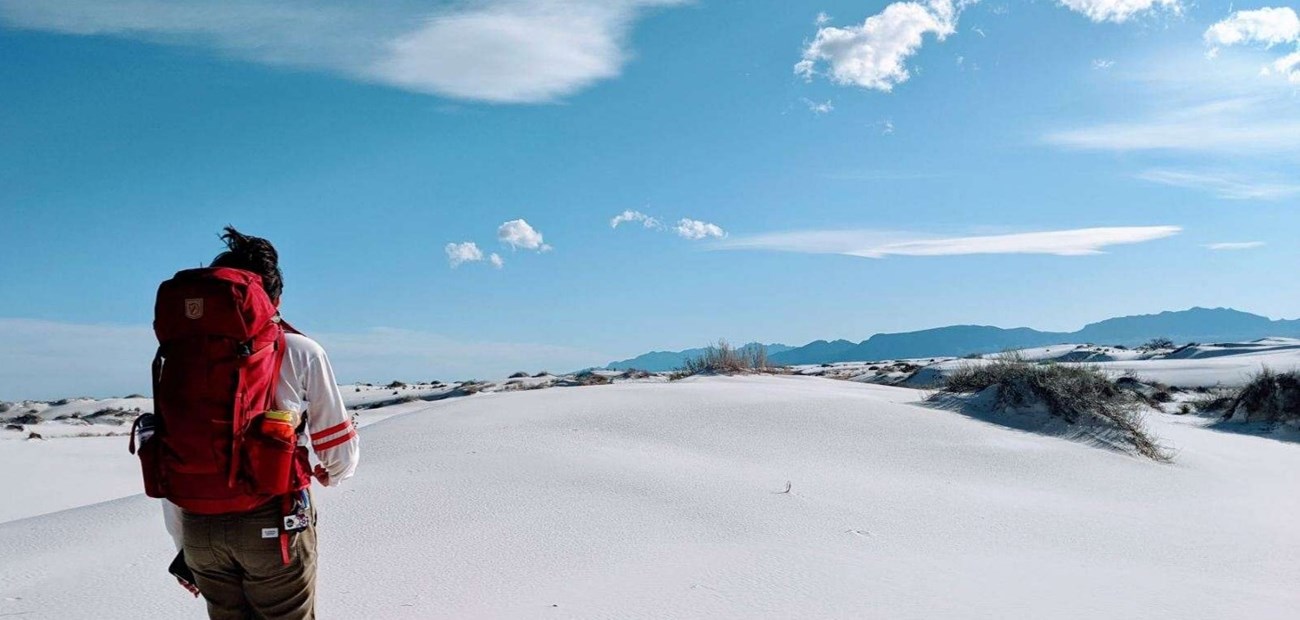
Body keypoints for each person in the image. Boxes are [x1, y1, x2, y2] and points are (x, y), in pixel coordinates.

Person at [157, 227, 359, 620]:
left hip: (199, 527)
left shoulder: (181, 357)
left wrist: (185, 542)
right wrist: (334, 472)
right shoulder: (300, 349)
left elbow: (175, 450)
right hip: (272, 519)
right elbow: (338, 451)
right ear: (274, 298)